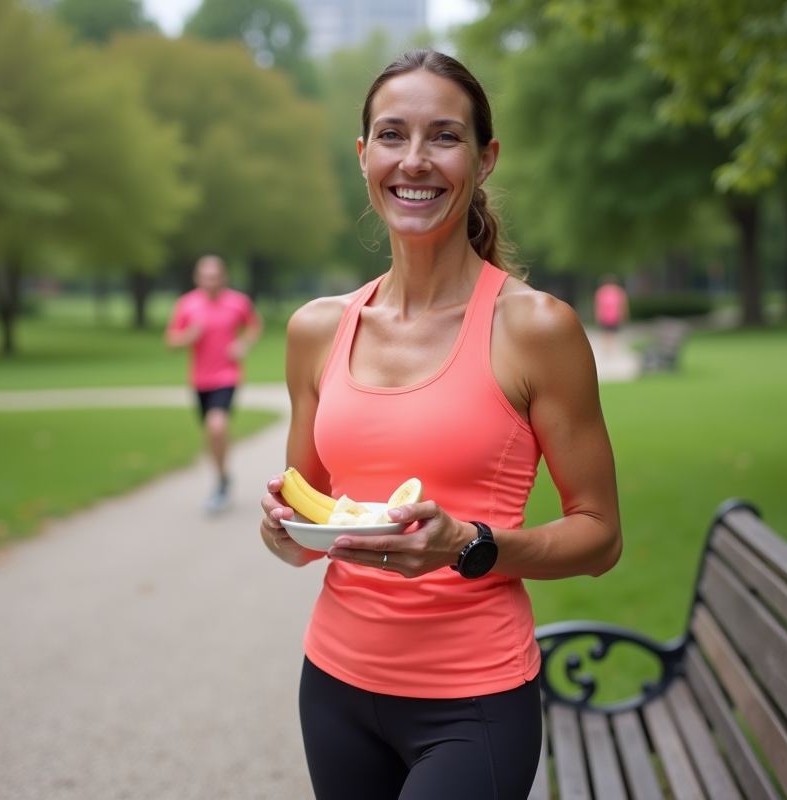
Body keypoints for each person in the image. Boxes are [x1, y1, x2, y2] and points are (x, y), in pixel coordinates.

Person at [259, 50, 622, 800]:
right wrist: (282, 530)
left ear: (484, 159)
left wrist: (472, 546)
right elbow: (306, 515)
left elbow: (600, 534)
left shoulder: (536, 328)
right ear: (364, 155)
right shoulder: (317, 329)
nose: (414, 161)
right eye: (392, 135)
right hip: (334, 686)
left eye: (444, 137)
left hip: (474, 704)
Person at [166, 255, 262, 514]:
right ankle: (223, 476)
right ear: (197, 278)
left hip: (227, 376)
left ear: (223, 277)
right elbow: (171, 341)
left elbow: (254, 326)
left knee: (216, 425)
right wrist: (188, 336)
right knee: (211, 432)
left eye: (215, 276)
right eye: (205, 276)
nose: (210, 281)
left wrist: (243, 344)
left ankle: (219, 484)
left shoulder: (238, 303)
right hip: (199, 380)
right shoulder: (187, 305)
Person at [593, 273, 629, 356]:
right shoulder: (619, 291)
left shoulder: (601, 291)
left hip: (605, 315)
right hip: (615, 315)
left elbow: (598, 305)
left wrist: (597, 316)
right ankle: (610, 348)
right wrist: (625, 314)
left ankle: (607, 348)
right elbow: (623, 305)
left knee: (606, 333)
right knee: (612, 333)